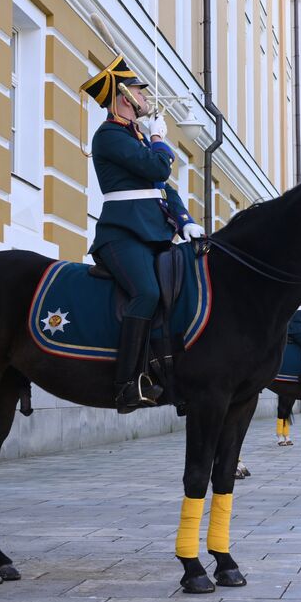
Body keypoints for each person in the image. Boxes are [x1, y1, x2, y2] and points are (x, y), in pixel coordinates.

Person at [81, 54, 205, 412]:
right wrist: (158, 140)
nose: (147, 98)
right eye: (141, 91)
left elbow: (163, 189)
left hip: (153, 231)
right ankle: (124, 385)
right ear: (125, 97)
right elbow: (158, 168)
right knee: (147, 293)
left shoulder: (134, 136)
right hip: (121, 234)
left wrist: (185, 222)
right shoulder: (109, 135)